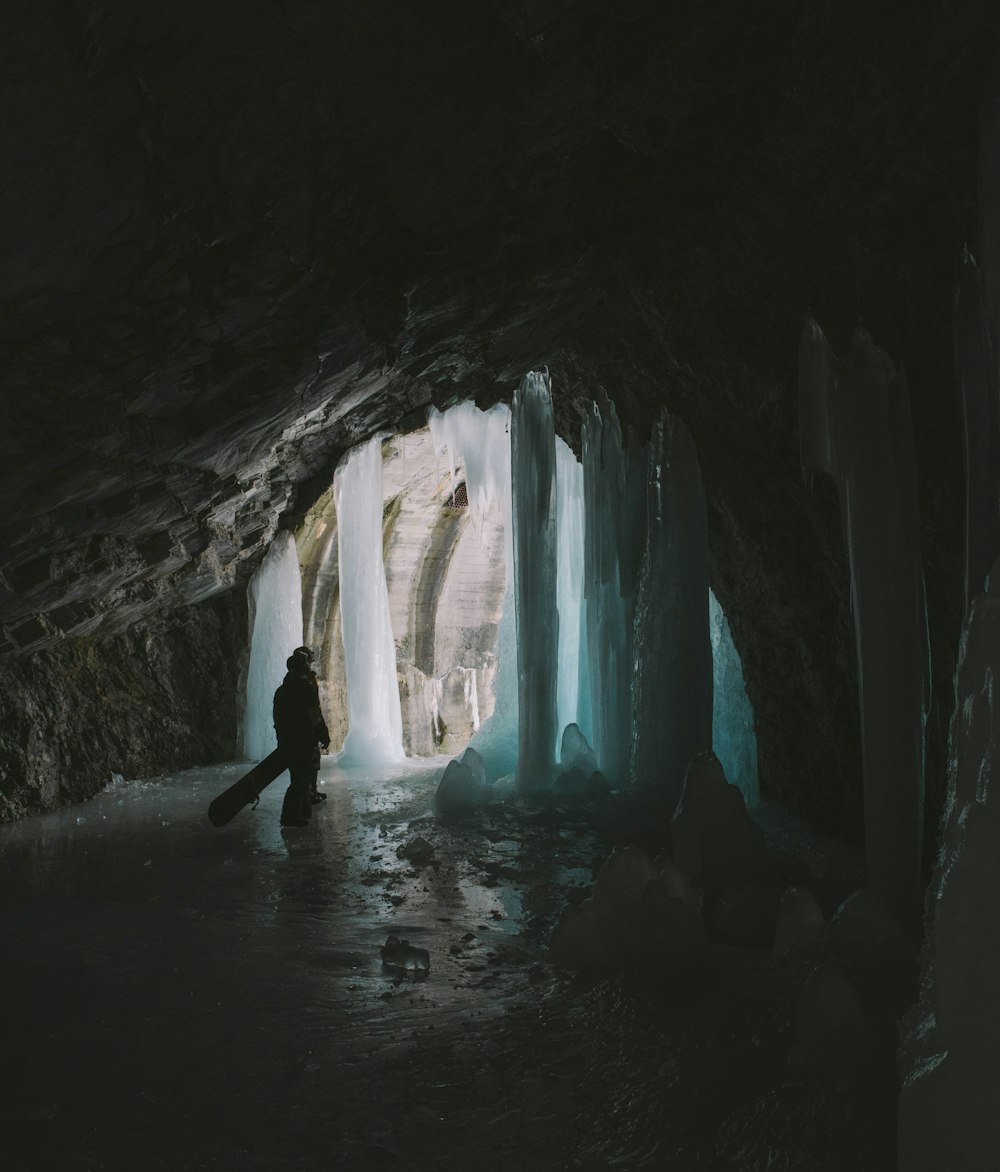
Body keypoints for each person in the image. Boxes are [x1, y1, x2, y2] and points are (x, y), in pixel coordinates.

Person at [273, 649, 330, 827]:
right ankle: (289, 816)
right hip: (303, 741)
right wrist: (323, 734)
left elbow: (278, 717)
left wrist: (281, 738)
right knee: (301, 779)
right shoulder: (305, 689)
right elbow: (314, 715)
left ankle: (303, 809)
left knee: (298, 776)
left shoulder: (281, 690)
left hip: (288, 740)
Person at [292, 644, 329, 806]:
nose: (312, 657)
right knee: (306, 767)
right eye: (309, 657)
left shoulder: (289, 685)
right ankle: (297, 806)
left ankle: (310, 792)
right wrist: (322, 733)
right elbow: (312, 712)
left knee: (308, 766)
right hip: (305, 733)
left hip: (299, 733)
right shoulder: (304, 685)